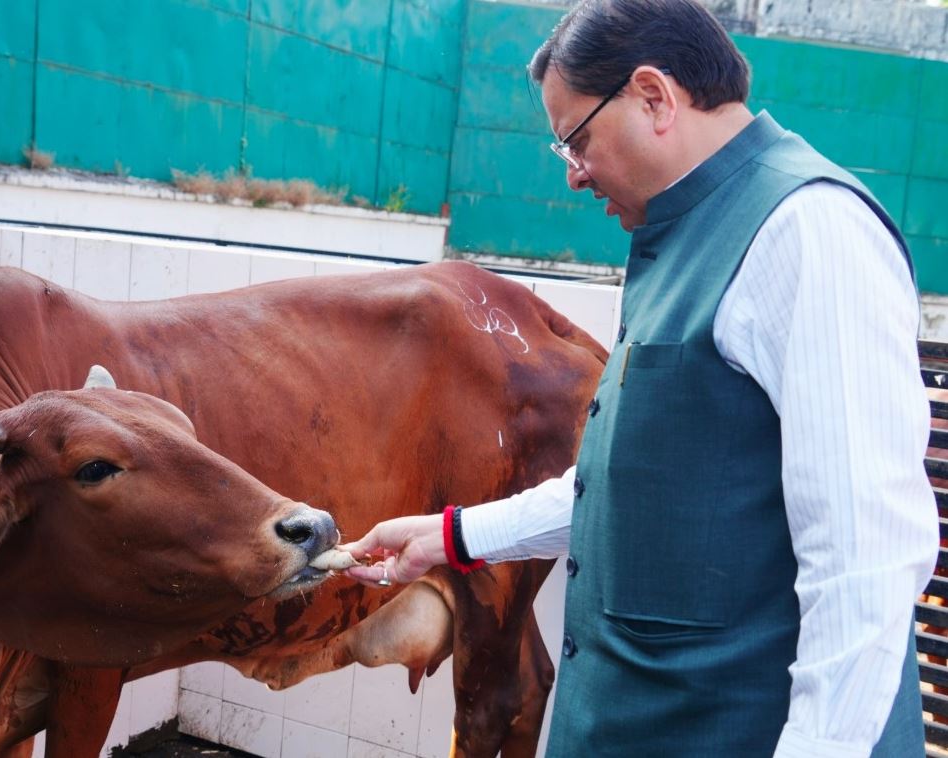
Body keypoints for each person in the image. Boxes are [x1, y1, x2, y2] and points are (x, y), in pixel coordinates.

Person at [340, 0, 940, 755]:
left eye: (577, 140)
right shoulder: (679, 234)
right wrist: (452, 536)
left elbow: (865, 567)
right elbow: (631, 487)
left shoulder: (810, 231)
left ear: (654, 97)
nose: (573, 174)